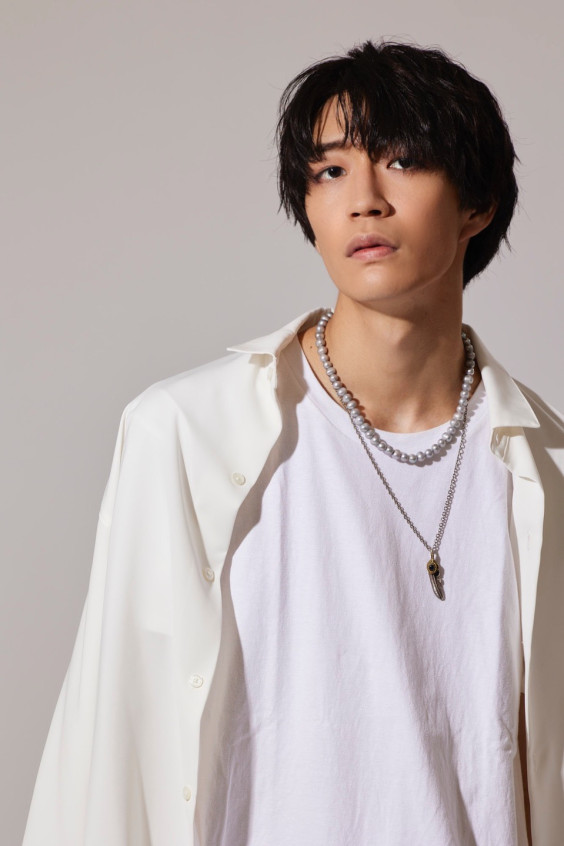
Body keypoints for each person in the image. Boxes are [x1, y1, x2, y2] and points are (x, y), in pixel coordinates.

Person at [23, 39, 564, 846]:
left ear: (477, 204)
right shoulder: (186, 434)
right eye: (330, 171)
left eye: (403, 161)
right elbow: (110, 734)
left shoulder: (546, 471)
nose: (364, 201)